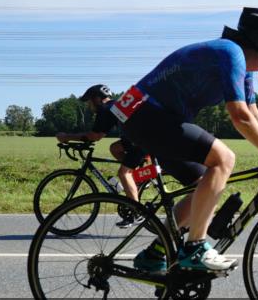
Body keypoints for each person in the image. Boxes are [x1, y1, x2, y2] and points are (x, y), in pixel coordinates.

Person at [117, 7, 258, 274]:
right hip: (143, 113)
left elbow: (252, 110)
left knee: (205, 186)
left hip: (153, 116)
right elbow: (239, 116)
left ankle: (157, 252)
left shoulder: (242, 65)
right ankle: (195, 247)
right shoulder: (231, 53)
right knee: (224, 159)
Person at [55, 84, 201, 229]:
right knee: (115, 148)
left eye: (89, 101)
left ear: (97, 99)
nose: (89, 106)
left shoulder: (105, 109)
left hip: (143, 139)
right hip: (140, 137)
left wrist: (67, 137)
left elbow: (95, 136)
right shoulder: (115, 106)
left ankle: (136, 212)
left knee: (123, 173)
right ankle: (138, 176)